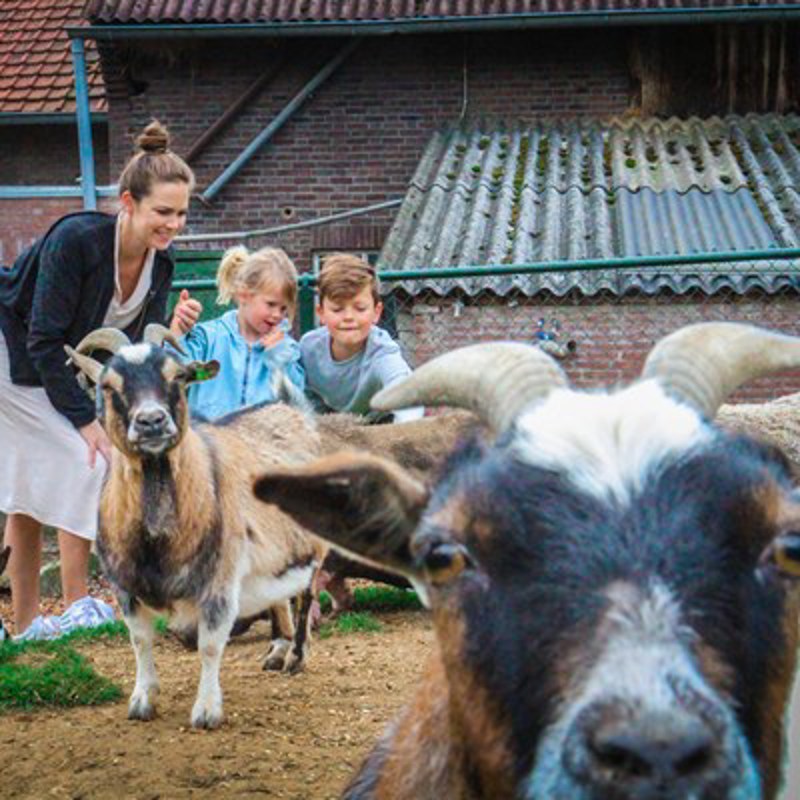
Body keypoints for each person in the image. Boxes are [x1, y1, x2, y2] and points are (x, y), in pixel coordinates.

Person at [0, 120, 201, 641]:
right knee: (85, 459)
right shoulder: (76, 240)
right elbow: (43, 340)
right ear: (128, 203)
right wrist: (88, 423)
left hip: (45, 364)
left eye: (181, 213)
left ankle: (26, 626)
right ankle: (77, 606)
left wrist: (174, 330)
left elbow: (133, 350)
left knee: (27, 490)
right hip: (10, 354)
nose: (174, 224)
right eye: (163, 212)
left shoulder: (161, 263)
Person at [176, 245, 304, 420]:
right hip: (211, 435)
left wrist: (279, 358)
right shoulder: (208, 338)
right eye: (271, 304)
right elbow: (175, 370)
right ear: (243, 294)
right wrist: (178, 330)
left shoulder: (287, 349)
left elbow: (298, 405)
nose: (277, 315)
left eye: (283, 309)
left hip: (262, 436)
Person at [300, 252, 423, 423]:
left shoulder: (382, 352)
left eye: (360, 308)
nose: (348, 317)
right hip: (329, 420)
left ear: (376, 312)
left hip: (378, 422)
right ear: (321, 313)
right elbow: (301, 395)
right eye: (337, 309)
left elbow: (405, 393)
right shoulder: (308, 348)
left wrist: (406, 427)